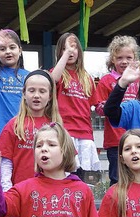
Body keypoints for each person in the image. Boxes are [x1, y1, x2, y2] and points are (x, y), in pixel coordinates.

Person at [0, 69, 62, 217]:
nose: (36, 95)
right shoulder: (14, 125)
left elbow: (66, 162)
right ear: (23, 93)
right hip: (23, 197)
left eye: (42, 91)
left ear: (50, 96)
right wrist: (7, 190)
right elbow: (5, 162)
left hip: (50, 196)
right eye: (31, 90)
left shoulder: (56, 127)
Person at [93, 35, 140, 186]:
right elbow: (100, 110)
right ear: (112, 59)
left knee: (139, 178)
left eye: (129, 57)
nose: (124, 61)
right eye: (119, 57)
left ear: (135, 58)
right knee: (117, 180)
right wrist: (111, 104)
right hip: (116, 141)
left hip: (139, 138)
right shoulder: (107, 80)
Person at [51, 33, 101, 176]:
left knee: (80, 175)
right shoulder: (58, 74)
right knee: (64, 172)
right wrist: (65, 55)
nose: (70, 51)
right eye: (65, 48)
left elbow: (96, 104)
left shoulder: (87, 78)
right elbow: (53, 79)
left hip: (84, 132)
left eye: (73, 47)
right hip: (65, 131)